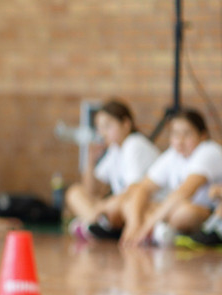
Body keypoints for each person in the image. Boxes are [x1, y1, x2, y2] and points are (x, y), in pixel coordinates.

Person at [120, 109, 222, 248]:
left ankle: (158, 230)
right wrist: (134, 224)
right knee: (130, 204)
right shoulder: (172, 155)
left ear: (202, 135)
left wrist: (147, 225)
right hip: (172, 209)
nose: (180, 140)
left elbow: (185, 191)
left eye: (187, 134)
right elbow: (143, 187)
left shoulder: (208, 150)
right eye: (175, 134)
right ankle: (160, 231)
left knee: (184, 213)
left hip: (204, 211)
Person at [65, 100, 159, 240]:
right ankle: (95, 223)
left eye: (107, 126)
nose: (102, 133)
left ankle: (93, 223)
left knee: (116, 205)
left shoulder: (134, 144)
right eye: (99, 128)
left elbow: (134, 189)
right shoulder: (114, 150)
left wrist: (103, 206)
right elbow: (91, 190)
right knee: (74, 193)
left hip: (142, 204)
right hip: (120, 204)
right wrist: (90, 160)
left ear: (126, 124)